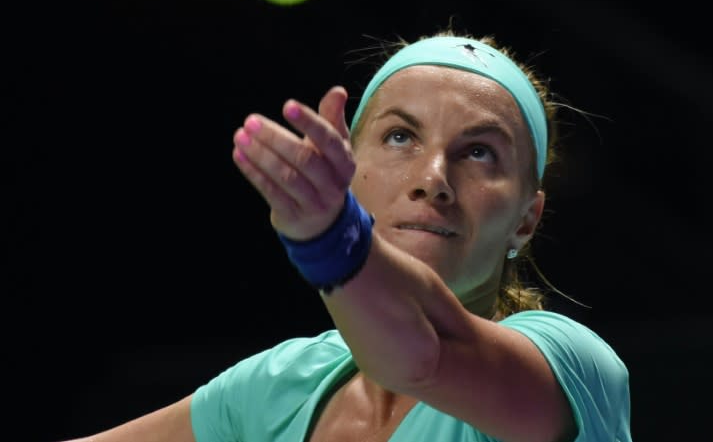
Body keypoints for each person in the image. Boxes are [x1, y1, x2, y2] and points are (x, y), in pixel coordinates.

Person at [63, 28, 632, 442]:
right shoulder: (280, 387)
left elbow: (420, 357)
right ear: (349, 170)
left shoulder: (575, 366)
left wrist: (332, 239)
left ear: (526, 220)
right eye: (400, 137)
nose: (434, 179)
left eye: (479, 152)